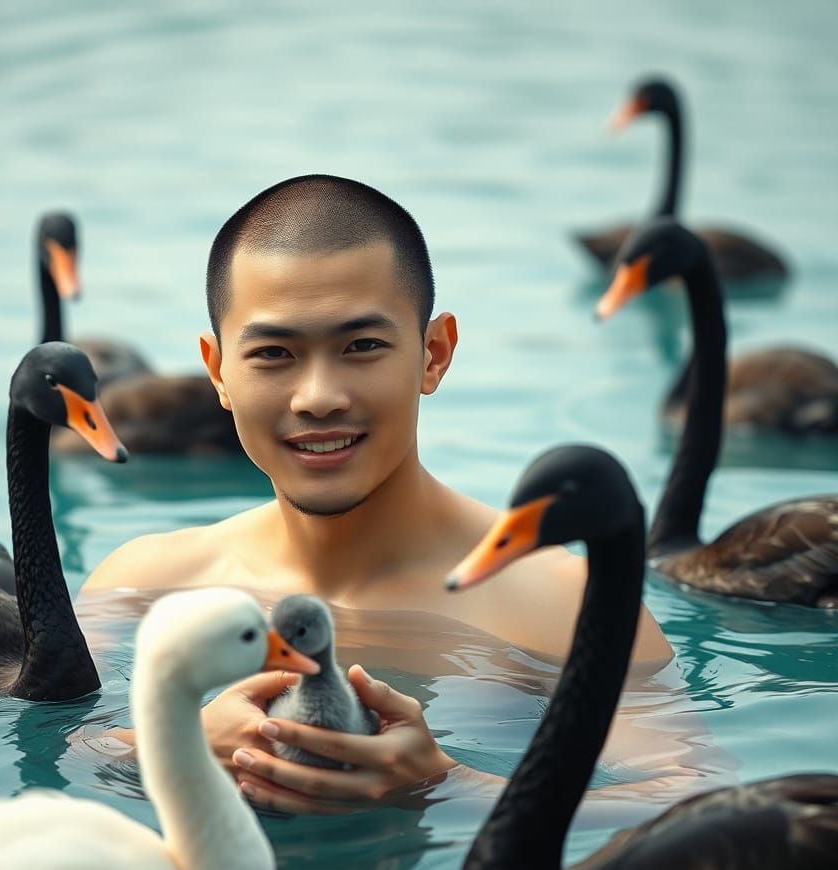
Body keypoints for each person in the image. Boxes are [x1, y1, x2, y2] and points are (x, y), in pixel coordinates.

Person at [80, 174, 680, 815]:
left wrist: (449, 784)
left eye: (362, 346)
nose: (318, 397)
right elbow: (53, 743)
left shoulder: (563, 604)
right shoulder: (143, 585)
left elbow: (688, 795)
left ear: (434, 354)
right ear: (217, 370)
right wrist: (180, 742)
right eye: (275, 352)